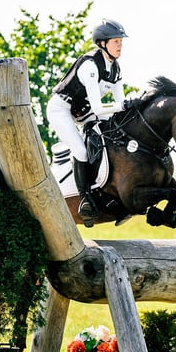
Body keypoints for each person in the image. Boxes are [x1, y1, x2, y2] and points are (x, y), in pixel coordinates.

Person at [46, 19, 129, 225]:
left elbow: (120, 104)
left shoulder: (115, 69)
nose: (120, 45)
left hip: (84, 111)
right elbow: (102, 107)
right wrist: (125, 105)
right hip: (61, 109)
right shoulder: (90, 65)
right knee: (81, 151)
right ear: (102, 44)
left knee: (114, 132)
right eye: (116, 41)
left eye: (121, 41)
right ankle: (85, 199)